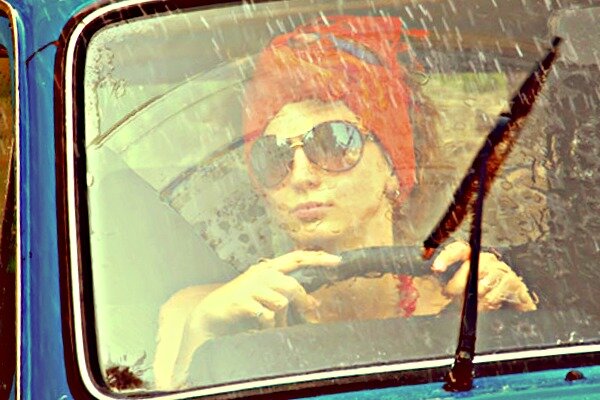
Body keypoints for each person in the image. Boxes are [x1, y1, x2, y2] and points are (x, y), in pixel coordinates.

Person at [153, 15, 537, 389]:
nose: (301, 176)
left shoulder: (464, 298)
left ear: (394, 168)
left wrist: (515, 317)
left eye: (333, 143)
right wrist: (201, 342)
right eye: (273, 156)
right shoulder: (201, 312)